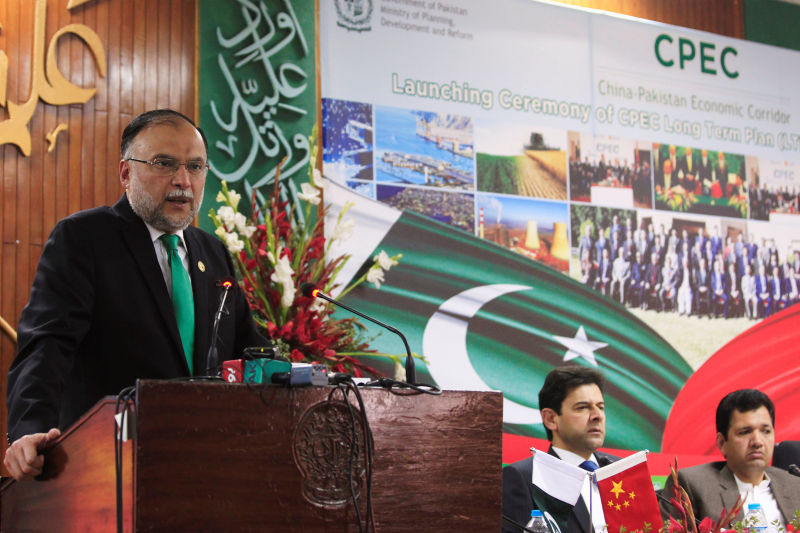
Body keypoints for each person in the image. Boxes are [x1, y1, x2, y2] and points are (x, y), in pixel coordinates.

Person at [4, 109, 266, 481]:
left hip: (205, 464)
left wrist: (306, 378)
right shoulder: (85, 239)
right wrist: (30, 428)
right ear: (126, 173)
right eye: (165, 164)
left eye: (195, 167)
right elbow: (46, 346)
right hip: (105, 467)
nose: (182, 181)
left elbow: (248, 349)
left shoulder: (213, 253)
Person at [660, 390, 800, 527]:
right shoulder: (692, 485)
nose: (758, 441)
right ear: (722, 443)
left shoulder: (794, 486)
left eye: (766, 431)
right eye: (745, 432)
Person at [502, 366, 617, 533]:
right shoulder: (525, 478)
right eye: (583, 407)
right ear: (550, 419)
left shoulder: (619, 470)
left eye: (600, 406)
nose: (597, 415)